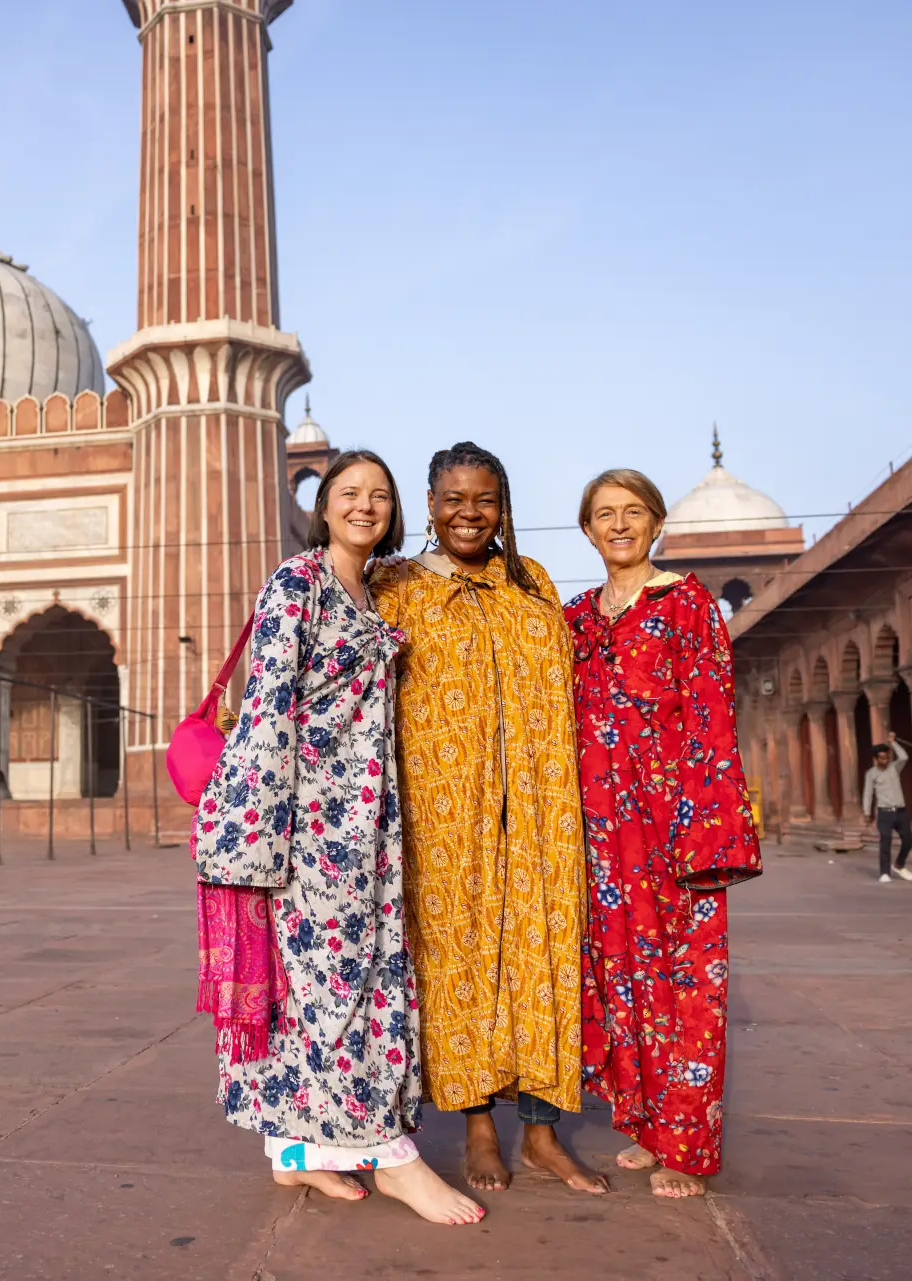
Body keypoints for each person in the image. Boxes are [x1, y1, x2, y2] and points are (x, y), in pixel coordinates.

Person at [192, 449, 484, 1227]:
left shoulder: (372, 589)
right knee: (342, 988)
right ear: (321, 507)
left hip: (367, 823)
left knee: (328, 988)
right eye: (349, 492)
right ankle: (392, 1157)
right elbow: (267, 707)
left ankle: (296, 1151)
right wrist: (263, 836)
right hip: (309, 828)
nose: (365, 505)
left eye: (379, 495)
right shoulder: (299, 581)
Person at [370, 442, 604, 1196]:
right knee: (460, 959)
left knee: (544, 953)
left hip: (539, 806)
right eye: (454, 499)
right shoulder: (396, 585)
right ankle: (477, 1126)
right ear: (430, 505)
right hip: (446, 811)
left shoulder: (530, 582)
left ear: (502, 507)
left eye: (485, 500)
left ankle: (541, 1132)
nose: (469, 514)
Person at [564, 468, 763, 1199]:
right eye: (604, 514)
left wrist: (709, 831)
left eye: (633, 512)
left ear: (656, 523)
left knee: (688, 981)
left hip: (675, 824)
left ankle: (688, 1146)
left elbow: (712, 713)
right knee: (624, 978)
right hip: (601, 832)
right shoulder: (576, 618)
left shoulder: (686, 604)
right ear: (587, 529)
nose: (619, 525)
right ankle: (649, 1125)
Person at [861, 740, 912, 883]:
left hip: (901, 811)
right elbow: (868, 794)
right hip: (885, 813)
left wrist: (893, 743)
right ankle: (885, 873)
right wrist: (867, 813)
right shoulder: (871, 774)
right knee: (885, 841)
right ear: (876, 759)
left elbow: (904, 757)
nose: (885, 760)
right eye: (882, 758)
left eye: (887, 757)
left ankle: (899, 865)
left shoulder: (894, 768)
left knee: (908, 840)